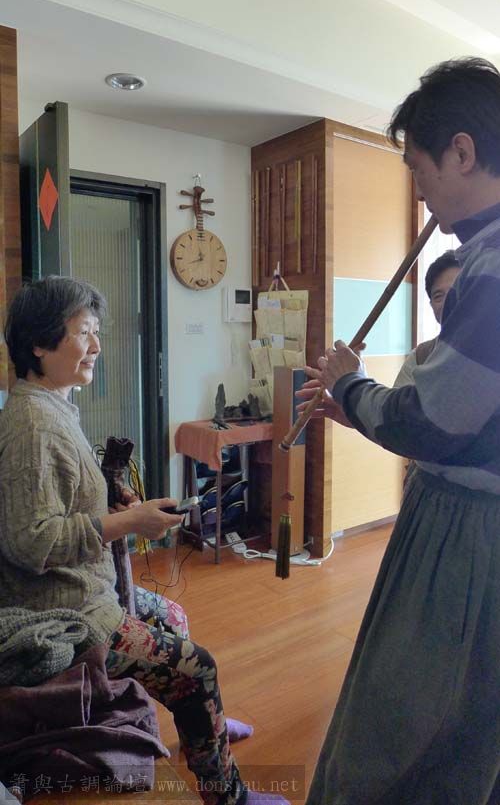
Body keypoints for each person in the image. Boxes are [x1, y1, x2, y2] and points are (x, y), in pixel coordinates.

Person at [0, 276, 288, 805]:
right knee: (198, 667)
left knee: (173, 618)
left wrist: (114, 505)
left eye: (97, 331)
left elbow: (60, 503)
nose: (96, 345)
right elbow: (30, 543)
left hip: (91, 589)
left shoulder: (53, 404)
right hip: (65, 611)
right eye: (83, 332)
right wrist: (130, 522)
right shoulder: (33, 426)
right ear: (39, 343)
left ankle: (203, 725)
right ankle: (229, 795)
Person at [298, 58, 500, 805]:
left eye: (417, 167)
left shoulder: (493, 264)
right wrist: (359, 402)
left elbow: (437, 424)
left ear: (461, 152)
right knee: (471, 736)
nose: (418, 190)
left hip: (469, 531)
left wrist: (350, 385)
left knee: (393, 734)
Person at [393, 249, 460, 387]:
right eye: (438, 296)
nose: (447, 302)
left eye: (455, 291)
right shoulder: (421, 356)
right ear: (431, 305)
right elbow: (396, 400)